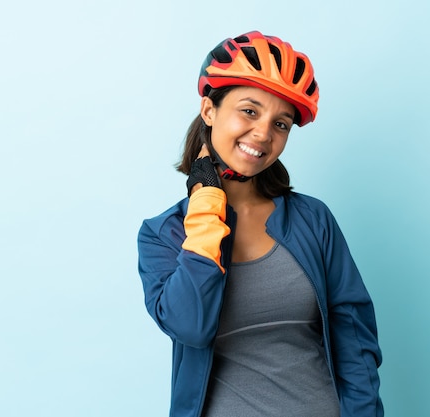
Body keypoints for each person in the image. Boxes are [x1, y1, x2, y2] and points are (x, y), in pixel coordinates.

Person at [137, 30, 383, 417]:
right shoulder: (162, 234)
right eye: (249, 111)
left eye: (281, 124)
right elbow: (190, 326)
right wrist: (205, 204)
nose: (264, 134)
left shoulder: (312, 219)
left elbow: (354, 339)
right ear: (209, 110)